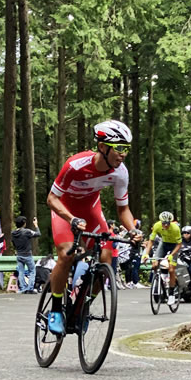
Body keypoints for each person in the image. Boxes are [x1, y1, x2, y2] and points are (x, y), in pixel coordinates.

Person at [46, 119, 141, 334]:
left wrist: (132, 229)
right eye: (119, 148)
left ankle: (83, 306)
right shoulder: (75, 165)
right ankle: (55, 309)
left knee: (107, 261)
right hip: (64, 211)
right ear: (102, 147)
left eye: (126, 149)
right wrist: (70, 218)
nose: (123, 154)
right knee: (66, 254)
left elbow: (123, 209)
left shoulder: (120, 173)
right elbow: (52, 199)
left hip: (91, 212)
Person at [141, 211, 182, 306]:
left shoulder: (175, 228)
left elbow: (179, 244)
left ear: (170, 222)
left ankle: (171, 293)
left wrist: (171, 255)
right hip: (163, 244)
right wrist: (146, 254)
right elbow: (151, 241)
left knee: (171, 269)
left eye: (167, 224)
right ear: (161, 222)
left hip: (174, 246)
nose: (165, 226)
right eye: (164, 224)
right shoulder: (157, 226)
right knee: (155, 264)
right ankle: (159, 281)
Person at [11, 216, 40, 294]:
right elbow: (38, 234)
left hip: (19, 254)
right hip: (27, 254)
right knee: (32, 271)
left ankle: (23, 288)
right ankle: (30, 288)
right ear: (24, 223)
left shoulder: (13, 233)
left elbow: (13, 243)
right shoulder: (27, 232)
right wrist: (36, 225)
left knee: (21, 271)